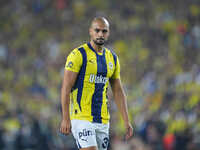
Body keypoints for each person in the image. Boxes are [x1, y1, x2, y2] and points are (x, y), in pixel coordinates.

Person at [60, 17, 133, 150]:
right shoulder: (78, 55)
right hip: (81, 118)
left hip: (103, 120)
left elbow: (118, 91)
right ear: (90, 32)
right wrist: (66, 118)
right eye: (97, 30)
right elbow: (66, 87)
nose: (100, 34)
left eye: (104, 31)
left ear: (108, 33)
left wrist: (126, 121)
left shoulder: (112, 58)